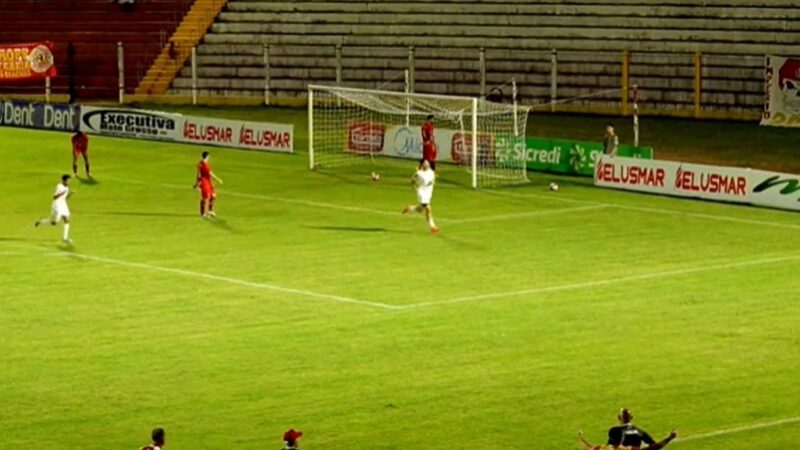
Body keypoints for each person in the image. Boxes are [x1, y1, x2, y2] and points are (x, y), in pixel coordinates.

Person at [605, 408, 677, 449]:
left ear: (618, 417)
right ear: (632, 417)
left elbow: (609, 447)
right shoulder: (640, 432)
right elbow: (655, 447)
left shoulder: (615, 430)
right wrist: (669, 438)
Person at [402, 159, 439, 233]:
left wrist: (433, 180)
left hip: (429, 192)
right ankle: (432, 226)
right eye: (426, 163)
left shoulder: (431, 172)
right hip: (422, 192)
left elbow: (433, 178)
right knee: (428, 208)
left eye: (428, 163)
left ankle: (410, 208)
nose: (428, 164)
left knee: (420, 209)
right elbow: (412, 180)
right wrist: (414, 186)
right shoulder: (418, 173)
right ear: (422, 164)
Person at [34, 174, 73, 243]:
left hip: (63, 204)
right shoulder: (59, 186)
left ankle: (65, 238)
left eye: (69, 181)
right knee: (54, 223)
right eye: (67, 181)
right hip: (57, 205)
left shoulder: (67, 187)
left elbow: (65, 198)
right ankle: (40, 222)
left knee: (66, 219)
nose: (69, 182)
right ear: (63, 180)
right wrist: (61, 193)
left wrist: (70, 194)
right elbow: (54, 197)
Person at [194, 151, 223, 218]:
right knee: (205, 197)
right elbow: (210, 174)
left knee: (213, 195)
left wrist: (196, 183)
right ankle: (203, 213)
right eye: (208, 156)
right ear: (207, 156)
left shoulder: (201, 163)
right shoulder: (204, 165)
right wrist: (218, 179)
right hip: (204, 182)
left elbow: (198, 174)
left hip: (209, 182)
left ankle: (210, 210)